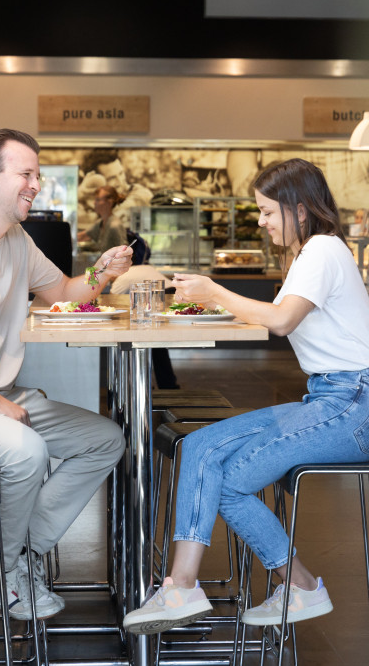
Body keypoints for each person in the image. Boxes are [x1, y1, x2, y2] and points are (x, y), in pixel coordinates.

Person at [123, 157, 369, 634]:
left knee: (231, 480)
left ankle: (297, 587)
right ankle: (183, 586)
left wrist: (214, 292)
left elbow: (280, 321)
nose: (260, 221)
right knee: (197, 447)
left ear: (299, 209)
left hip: (353, 405)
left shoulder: (321, 249)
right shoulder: (309, 253)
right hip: (329, 398)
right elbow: (277, 317)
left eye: (267, 211)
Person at [0, 129, 133, 621]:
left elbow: (64, 290)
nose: (36, 184)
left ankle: (20, 552)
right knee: (25, 449)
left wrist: (104, 271)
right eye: (26, 174)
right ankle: (0, 573)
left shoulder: (16, 239)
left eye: (37, 175)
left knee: (105, 440)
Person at [78, 150, 153, 227]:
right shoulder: (86, 202)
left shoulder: (141, 194)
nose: (120, 181)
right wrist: (79, 194)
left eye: (121, 173)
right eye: (112, 178)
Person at [77, 185, 128, 251]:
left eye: (98, 200)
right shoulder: (101, 222)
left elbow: (124, 252)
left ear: (109, 202)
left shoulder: (114, 226)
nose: (94, 203)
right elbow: (82, 236)